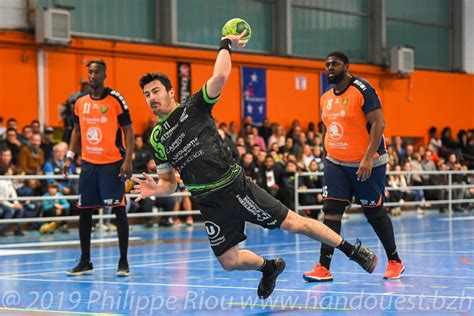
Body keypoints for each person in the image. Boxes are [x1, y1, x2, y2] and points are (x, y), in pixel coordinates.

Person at [131, 33, 377, 300]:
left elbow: (221, 76)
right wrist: (158, 189)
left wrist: (225, 44)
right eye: (146, 95)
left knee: (295, 223)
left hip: (234, 187)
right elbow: (170, 183)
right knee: (229, 261)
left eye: (156, 91)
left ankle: (353, 250)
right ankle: (269, 267)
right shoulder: (156, 138)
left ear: (170, 92)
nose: (151, 98)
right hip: (207, 201)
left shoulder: (194, 106)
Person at [303, 51, 404, 283]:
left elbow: (379, 123)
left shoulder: (363, 90)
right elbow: (327, 126)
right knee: (330, 212)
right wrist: (326, 152)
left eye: (335, 64)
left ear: (346, 66)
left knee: (374, 212)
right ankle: (323, 267)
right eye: (327, 64)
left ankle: (395, 260)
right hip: (336, 162)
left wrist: (368, 158)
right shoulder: (325, 96)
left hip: (367, 162)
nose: (330, 68)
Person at [62, 59, 134, 277]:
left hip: (112, 165)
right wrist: (69, 156)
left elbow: (129, 131)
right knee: (84, 212)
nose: (92, 76)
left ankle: (123, 262)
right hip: (88, 165)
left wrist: (128, 160)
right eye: (90, 72)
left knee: (119, 211)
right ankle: (85, 261)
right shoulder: (80, 102)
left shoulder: (115, 100)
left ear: (104, 75)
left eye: (96, 72)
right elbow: (76, 131)